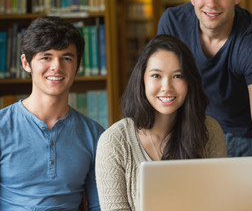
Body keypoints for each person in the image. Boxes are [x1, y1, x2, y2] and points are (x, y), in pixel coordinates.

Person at [157, 0, 252, 158]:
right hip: (203, 129)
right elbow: (163, 91)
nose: (211, 3)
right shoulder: (173, 24)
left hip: (250, 134)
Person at [95, 34, 227, 210]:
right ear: (142, 80)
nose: (166, 87)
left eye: (178, 76)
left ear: (190, 82)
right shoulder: (114, 142)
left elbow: (219, 203)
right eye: (156, 75)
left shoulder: (209, 130)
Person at [0, 17, 103, 210]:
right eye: (46, 57)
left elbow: (99, 206)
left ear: (78, 66)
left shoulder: (95, 135)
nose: (56, 66)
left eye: (66, 58)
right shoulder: (2, 127)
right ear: (26, 63)